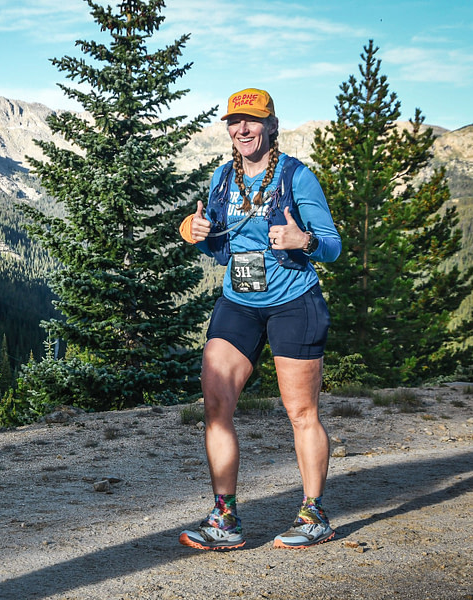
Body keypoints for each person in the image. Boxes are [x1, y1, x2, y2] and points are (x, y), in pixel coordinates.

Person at [178, 88, 342, 550]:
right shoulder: (223, 178)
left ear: (271, 125)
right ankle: (224, 519)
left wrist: (302, 239)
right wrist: (195, 231)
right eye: (234, 121)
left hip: (294, 302)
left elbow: (332, 246)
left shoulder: (297, 177)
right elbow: (214, 240)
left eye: (251, 121)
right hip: (240, 301)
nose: (242, 129)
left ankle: (314, 515)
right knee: (216, 402)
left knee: (301, 412)